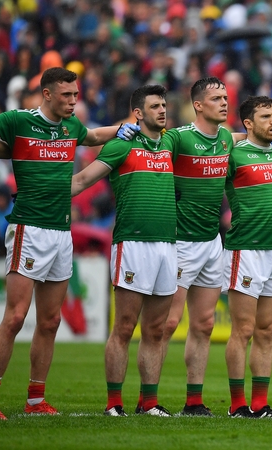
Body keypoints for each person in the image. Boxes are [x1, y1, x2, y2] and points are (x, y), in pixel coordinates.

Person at [0, 67, 139, 420]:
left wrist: (122, 129)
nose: (74, 100)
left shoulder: (70, 126)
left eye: (76, 94)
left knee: (50, 321)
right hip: (28, 229)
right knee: (15, 318)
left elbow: (91, 137)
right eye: (66, 95)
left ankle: (35, 401)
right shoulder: (17, 121)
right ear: (46, 94)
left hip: (62, 233)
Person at [72, 84, 175, 417]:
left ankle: (149, 403)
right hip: (132, 243)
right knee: (125, 326)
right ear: (138, 113)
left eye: (164, 105)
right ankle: (114, 404)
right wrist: (40, 193)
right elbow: (81, 181)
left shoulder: (172, 143)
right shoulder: (121, 145)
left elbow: (218, 137)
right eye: (155, 106)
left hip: (167, 245)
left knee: (156, 330)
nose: (162, 110)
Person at [159, 77, 235, 416]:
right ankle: (149, 400)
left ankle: (194, 401)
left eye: (226, 97)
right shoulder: (178, 138)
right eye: (217, 98)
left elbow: (255, 141)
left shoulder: (227, 139)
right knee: (168, 323)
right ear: (198, 105)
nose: (224, 102)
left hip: (211, 241)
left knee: (204, 324)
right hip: (181, 242)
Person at [223, 95, 272, 418]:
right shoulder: (234, 155)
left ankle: (260, 403)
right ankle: (238, 405)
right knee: (243, 330)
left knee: (267, 331)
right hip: (246, 250)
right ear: (248, 123)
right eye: (265, 117)